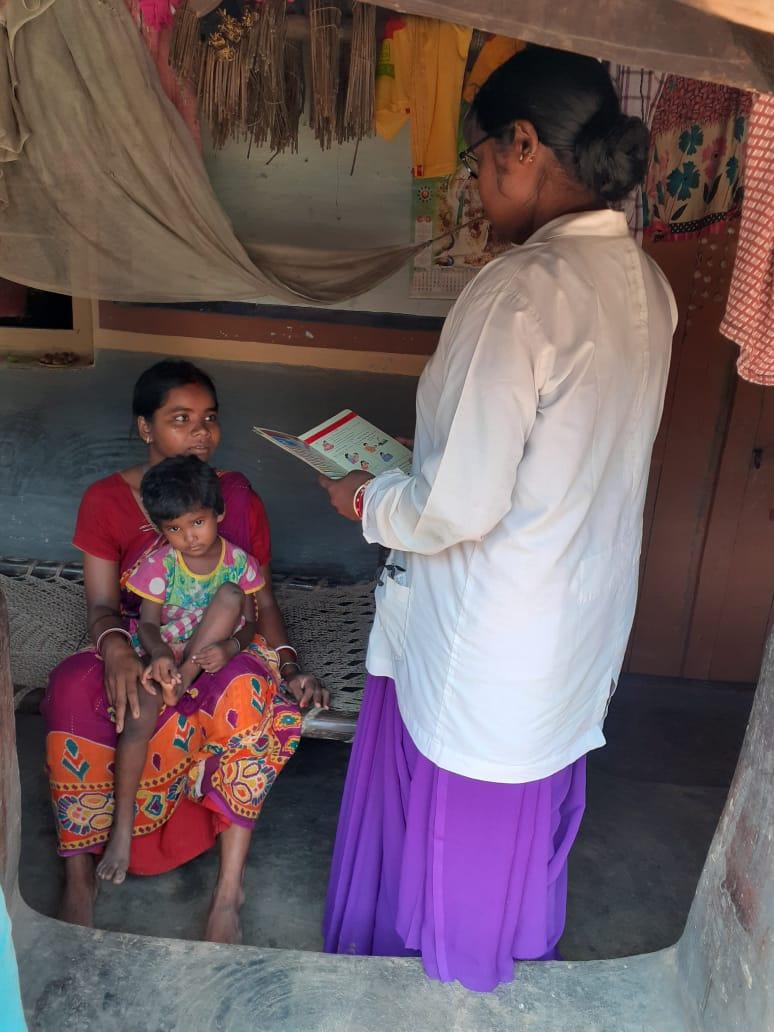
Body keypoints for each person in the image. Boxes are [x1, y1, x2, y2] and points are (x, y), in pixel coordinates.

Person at [320, 46, 677, 992]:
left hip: (494, 629)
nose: (474, 185)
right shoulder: (645, 287)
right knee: (522, 819)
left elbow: (459, 506)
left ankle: (444, 990)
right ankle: (496, 966)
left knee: (462, 828)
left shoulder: (520, 290)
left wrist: (370, 499)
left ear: (523, 145)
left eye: (479, 160)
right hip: (575, 616)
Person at [43, 360, 328, 944]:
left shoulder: (233, 499)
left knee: (250, 696)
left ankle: (228, 891)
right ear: (145, 428)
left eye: (209, 420)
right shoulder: (105, 500)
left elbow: (259, 602)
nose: (201, 434)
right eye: (181, 420)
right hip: (142, 640)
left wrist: (291, 665)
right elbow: (101, 605)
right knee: (73, 689)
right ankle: (79, 870)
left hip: (221, 641)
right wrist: (121, 649)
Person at [96, 456, 267, 886]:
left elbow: (250, 624)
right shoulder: (161, 565)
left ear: (218, 516)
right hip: (166, 650)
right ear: (160, 529)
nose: (188, 538)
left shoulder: (239, 564)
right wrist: (157, 656)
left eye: (197, 523)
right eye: (174, 528)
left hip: (203, 655)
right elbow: (149, 625)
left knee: (230, 595)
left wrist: (230, 646)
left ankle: (184, 680)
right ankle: (121, 831)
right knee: (137, 722)